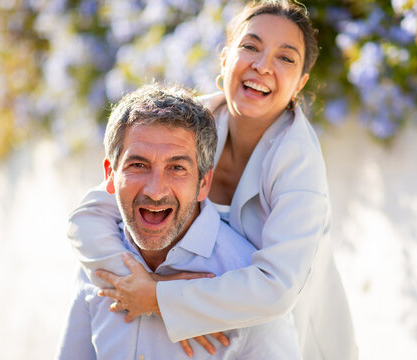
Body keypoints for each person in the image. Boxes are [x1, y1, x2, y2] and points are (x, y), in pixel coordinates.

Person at [67, 1, 358, 359]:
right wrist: (134, 285)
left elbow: (278, 289)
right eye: (250, 46)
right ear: (224, 58)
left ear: (300, 83)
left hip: (291, 331)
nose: (263, 65)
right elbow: (87, 218)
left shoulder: (299, 162)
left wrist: (161, 298)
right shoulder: (186, 126)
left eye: (286, 58)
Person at [57, 84, 301, 359]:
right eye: (138, 165)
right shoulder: (98, 262)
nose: (155, 190)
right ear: (110, 176)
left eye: (177, 168)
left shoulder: (246, 289)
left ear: (204, 183)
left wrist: (175, 304)